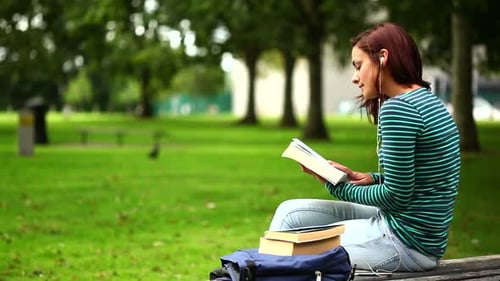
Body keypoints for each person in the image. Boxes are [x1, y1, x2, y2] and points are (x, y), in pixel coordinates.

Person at [268, 22, 461, 273]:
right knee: (289, 214)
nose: (354, 77)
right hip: (411, 233)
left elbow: (396, 196)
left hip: (404, 243)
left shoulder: (398, 110)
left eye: (359, 66)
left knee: (291, 252)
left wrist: (335, 185)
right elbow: (422, 181)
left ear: (383, 58)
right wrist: (369, 178)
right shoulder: (428, 101)